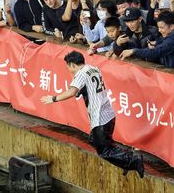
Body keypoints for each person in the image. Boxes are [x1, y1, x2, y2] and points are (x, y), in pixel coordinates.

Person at [40, 50, 144, 178]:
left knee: (104, 151)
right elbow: (86, 89)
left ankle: (133, 161)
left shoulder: (81, 74)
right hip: (107, 114)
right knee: (95, 140)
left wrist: (54, 98)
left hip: (100, 117)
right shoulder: (93, 68)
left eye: (68, 67)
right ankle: (126, 160)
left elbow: (72, 92)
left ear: (72, 64)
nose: (69, 70)